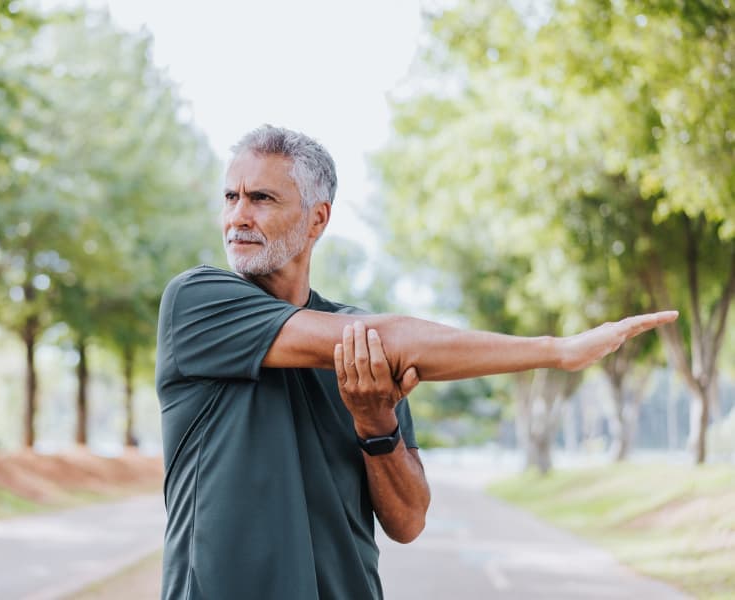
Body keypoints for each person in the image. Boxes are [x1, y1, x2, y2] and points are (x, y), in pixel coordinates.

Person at [155, 125, 677, 600]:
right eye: (231, 197)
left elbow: (407, 521)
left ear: (317, 219)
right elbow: (396, 337)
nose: (237, 217)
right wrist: (558, 352)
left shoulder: (362, 349)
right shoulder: (198, 303)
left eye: (260, 198)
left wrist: (375, 424)